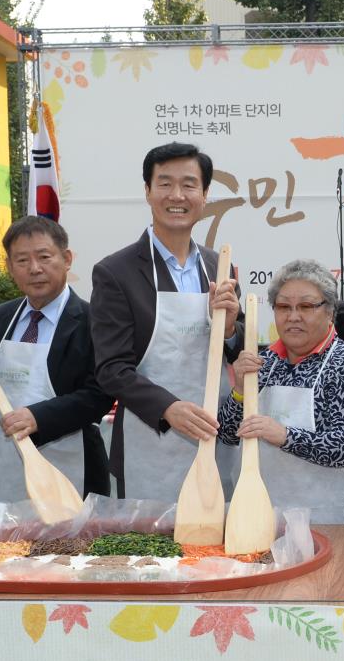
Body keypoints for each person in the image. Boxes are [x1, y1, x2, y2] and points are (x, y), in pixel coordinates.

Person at [90, 143, 244, 500]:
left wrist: (232, 328)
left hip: (214, 432)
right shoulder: (116, 272)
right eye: (165, 183)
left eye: (189, 184)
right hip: (151, 441)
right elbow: (111, 368)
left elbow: (237, 352)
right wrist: (167, 407)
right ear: (147, 191)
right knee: (154, 550)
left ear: (204, 195)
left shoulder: (220, 267)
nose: (177, 195)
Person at [0, 215, 113, 505]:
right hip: (5, 465)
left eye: (44, 256)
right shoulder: (0, 316)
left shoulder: (94, 320)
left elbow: (99, 395)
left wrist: (38, 416)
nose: (35, 269)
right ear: (9, 268)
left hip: (71, 465)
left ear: (66, 259)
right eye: (22, 261)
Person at [219, 260, 344, 524]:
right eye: (283, 307)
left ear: (329, 312)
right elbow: (227, 433)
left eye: (305, 306)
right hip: (264, 515)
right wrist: (238, 391)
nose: (293, 316)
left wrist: (285, 436)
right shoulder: (264, 362)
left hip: (330, 520)